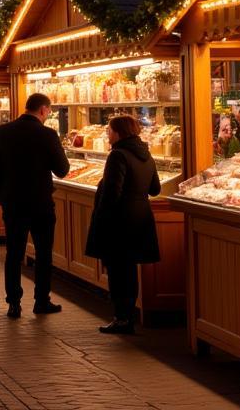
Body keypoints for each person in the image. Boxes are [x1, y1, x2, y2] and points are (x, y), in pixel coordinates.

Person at [0, 93, 70, 318]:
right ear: (43, 110)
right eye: (49, 112)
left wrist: (2, 194)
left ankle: (13, 303)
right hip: (41, 203)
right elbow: (62, 169)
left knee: (13, 253)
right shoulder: (48, 134)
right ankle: (41, 301)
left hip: (13, 204)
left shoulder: (3, 132)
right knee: (43, 253)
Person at [85, 115, 161, 334]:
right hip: (141, 218)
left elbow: (112, 193)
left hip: (119, 220)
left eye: (109, 130)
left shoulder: (117, 155)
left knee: (118, 271)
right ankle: (127, 317)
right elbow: (154, 189)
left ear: (118, 132)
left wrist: (101, 219)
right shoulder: (146, 155)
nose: (107, 134)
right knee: (129, 269)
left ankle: (121, 318)